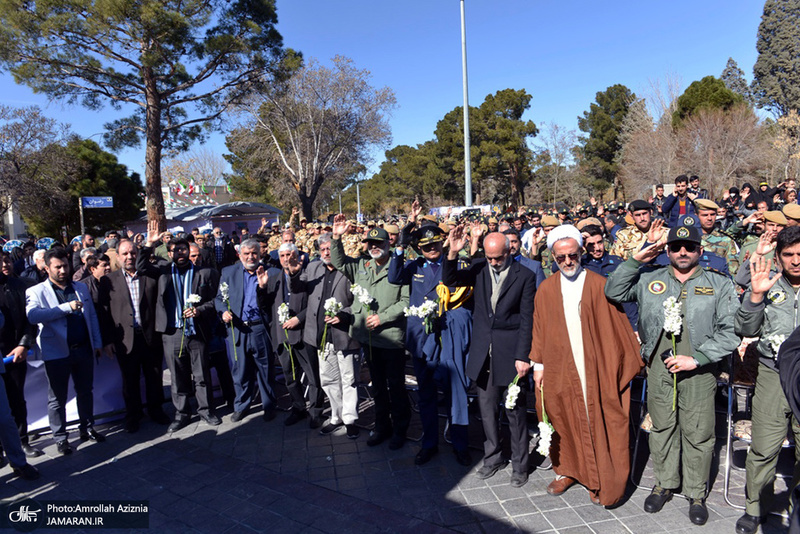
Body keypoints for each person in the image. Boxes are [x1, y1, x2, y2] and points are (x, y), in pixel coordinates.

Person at [605, 221, 739, 526]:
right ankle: (664, 483)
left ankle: (695, 493)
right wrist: (636, 259)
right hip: (659, 368)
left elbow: (731, 331)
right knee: (663, 427)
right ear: (667, 250)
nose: (682, 252)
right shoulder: (649, 278)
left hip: (699, 371)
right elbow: (613, 291)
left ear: (699, 251)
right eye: (676, 246)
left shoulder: (719, 284)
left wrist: (699, 358)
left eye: (689, 247)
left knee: (699, 432)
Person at [530, 225, 642, 505]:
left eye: (572, 255)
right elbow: (540, 329)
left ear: (581, 252)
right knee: (562, 417)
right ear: (553, 258)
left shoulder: (598, 284)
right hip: (559, 367)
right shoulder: (546, 289)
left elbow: (616, 328)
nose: (567, 262)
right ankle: (567, 471)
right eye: (560, 258)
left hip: (592, 367)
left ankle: (601, 479)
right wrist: (538, 365)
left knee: (598, 418)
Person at [443, 228, 536, 487]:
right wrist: (452, 252)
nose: (493, 263)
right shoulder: (479, 268)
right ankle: (493, 457)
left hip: (511, 354)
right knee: (486, 410)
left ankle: (520, 465)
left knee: (515, 412)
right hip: (483, 353)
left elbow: (528, 318)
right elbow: (451, 280)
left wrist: (523, 355)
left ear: (509, 251)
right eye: (489, 257)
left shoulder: (525, 276)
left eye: (498, 257)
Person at [389, 206, 472, 466]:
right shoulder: (414, 266)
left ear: (441, 242)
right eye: (425, 246)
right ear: (418, 248)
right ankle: (429, 443)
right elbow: (394, 277)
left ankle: (460, 443)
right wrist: (400, 246)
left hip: (447, 336)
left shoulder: (456, 264)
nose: (431, 249)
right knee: (425, 394)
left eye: (435, 244)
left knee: (454, 392)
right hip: (422, 339)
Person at [734, 226, 800, 534]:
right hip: (773, 375)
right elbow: (745, 327)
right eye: (788, 255)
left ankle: (796, 506)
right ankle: (755, 506)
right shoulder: (768, 284)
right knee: (763, 447)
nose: (796, 261)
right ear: (778, 257)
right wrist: (756, 296)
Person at [330, 215, 410, 450]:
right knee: (377, 388)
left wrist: (383, 317)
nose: (374, 247)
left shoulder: (398, 268)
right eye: (371, 244)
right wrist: (337, 237)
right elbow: (339, 262)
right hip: (369, 339)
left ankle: (400, 430)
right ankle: (381, 426)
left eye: (380, 244)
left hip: (391, 339)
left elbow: (405, 301)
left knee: (395, 387)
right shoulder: (361, 266)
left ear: (389, 245)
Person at [138, 224, 221, 432]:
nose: (180, 253)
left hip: (197, 331)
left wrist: (200, 310)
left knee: (201, 374)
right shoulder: (162, 270)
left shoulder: (205, 273)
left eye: (183, 249)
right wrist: (149, 244)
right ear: (169, 253)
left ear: (190, 250)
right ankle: (182, 413)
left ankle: (206, 410)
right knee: (178, 376)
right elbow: (140, 267)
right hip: (172, 333)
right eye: (175, 250)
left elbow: (216, 301)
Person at [25, 248, 108, 455]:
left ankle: (87, 428)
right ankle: (60, 438)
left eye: (65, 265)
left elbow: (92, 317)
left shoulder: (80, 287)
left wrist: (96, 342)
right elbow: (33, 316)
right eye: (57, 267)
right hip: (57, 354)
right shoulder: (36, 291)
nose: (63, 270)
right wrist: (66, 308)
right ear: (46, 268)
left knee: (85, 391)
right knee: (57, 398)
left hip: (83, 350)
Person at [297, 233, 361, 439]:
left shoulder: (351, 267)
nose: (326, 253)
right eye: (322, 249)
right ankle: (337, 416)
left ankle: (350, 419)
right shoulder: (313, 268)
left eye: (329, 248)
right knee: (328, 379)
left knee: (348, 379)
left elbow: (361, 301)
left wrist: (345, 315)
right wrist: (292, 272)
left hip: (344, 334)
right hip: (320, 337)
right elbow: (297, 288)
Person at [105, 240, 170, 433]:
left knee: (154, 377)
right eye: (124, 254)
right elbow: (104, 313)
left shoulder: (150, 276)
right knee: (130, 380)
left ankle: (155, 410)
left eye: (133, 253)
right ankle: (133, 415)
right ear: (117, 256)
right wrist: (108, 340)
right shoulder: (109, 281)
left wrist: (149, 245)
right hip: (125, 340)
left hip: (150, 336)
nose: (129, 257)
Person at [260, 243, 323, 428]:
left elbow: (314, 303)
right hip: (283, 336)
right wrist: (262, 288)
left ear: (297, 255)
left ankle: (316, 412)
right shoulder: (273, 278)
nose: (286, 259)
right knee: (290, 376)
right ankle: (298, 407)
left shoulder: (308, 276)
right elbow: (265, 307)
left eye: (290, 254)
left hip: (303, 334)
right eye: (282, 255)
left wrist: (299, 319)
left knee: (312, 376)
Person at [215, 239, 277, 423]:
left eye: (254, 253)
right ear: (239, 255)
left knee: (265, 370)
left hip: (259, 328)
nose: (251, 257)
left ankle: (269, 405)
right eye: (247, 254)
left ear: (260, 254)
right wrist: (223, 311)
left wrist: (263, 287)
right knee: (240, 371)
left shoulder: (271, 273)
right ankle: (242, 405)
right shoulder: (228, 272)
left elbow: (271, 304)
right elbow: (219, 298)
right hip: (237, 328)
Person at [0, 260, 40, 458]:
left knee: (16, 399)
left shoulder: (19, 286)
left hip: (14, 354)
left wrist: (24, 344)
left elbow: (29, 320)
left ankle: (21, 441)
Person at [695, 199, 740, 275]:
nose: (709, 218)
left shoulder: (725, 240)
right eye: (705, 215)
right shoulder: (690, 237)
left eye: (712, 214)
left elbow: (733, 270)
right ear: (696, 216)